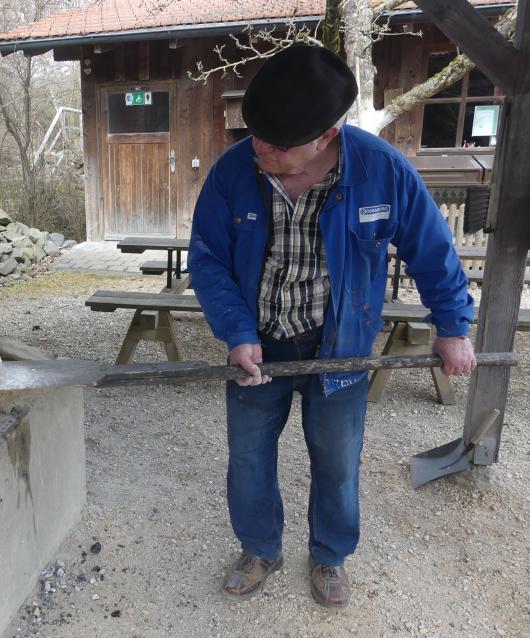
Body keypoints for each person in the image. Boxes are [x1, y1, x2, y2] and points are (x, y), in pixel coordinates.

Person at [187, 44, 476, 609]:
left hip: (340, 348)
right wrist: (237, 332)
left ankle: (329, 554)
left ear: (327, 134)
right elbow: (208, 259)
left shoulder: (380, 171)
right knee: (248, 456)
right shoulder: (233, 172)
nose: (260, 149)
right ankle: (259, 547)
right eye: (257, 135)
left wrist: (453, 327)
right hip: (259, 347)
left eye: (277, 143)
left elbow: (433, 251)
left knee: (338, 459)